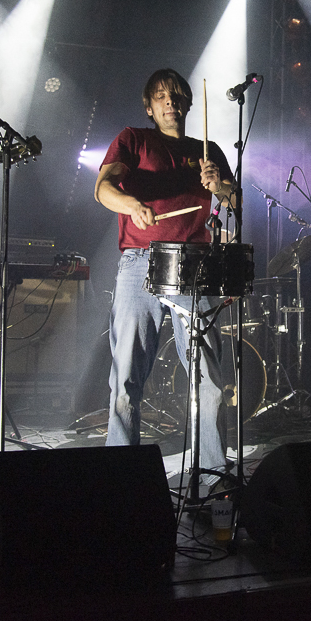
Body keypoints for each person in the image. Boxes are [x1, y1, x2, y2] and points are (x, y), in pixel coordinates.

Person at [95, 69, 235, 489]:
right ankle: (121, 474)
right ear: (149, 107)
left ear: (188, 103)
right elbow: (103, 188)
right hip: (141, 260)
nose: (170, 101)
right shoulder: (134, 139)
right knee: (126, 375)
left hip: (195, 264)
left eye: (176, 95)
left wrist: (221, 187)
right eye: (160, 96)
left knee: (207, 379)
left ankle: (212, 475)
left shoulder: (207, 150)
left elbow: (236, 202)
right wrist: (131, 204)